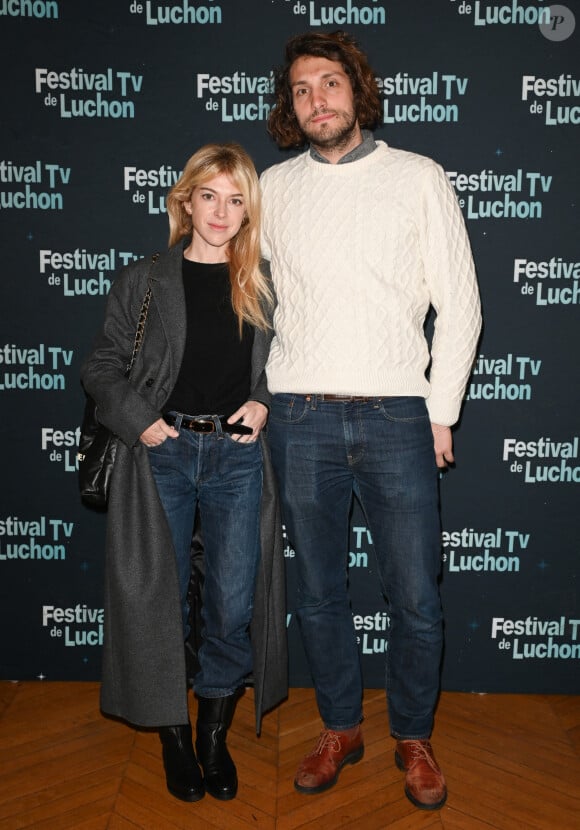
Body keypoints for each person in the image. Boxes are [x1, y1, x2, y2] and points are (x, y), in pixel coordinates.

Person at [260, 31, 482, 810]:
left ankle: (413, 735)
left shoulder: (419, 177)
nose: (317, 99)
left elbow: (460, 304)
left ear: (358, 89)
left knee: (416, 594)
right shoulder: (273, 188)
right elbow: (249, 307)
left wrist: (442, 411)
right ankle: (341, 726)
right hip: (299, 415)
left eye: (330, 82)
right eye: (301, 90)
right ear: (290, 108)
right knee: (318, 591)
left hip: (397, 415)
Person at [80, 143, 287, 804]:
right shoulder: (144, 281)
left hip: (235, 457)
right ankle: (173, 736)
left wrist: (264, 402)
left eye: (235, 199)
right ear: (185, 200)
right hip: (162, 453)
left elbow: (296, 365)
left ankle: (213, 736)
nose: (221, 211)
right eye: (209, 196)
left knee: (231, 602)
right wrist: (140, 419)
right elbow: (100, 369)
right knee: (155, 601)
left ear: (247, 209)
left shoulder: (266, 282)